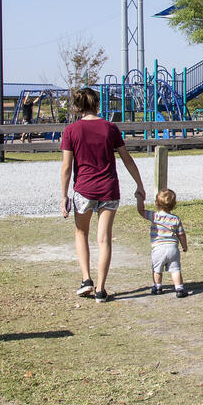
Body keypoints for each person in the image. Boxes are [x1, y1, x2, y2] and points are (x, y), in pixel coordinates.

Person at [60, 87, 145, 302]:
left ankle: (86, 279)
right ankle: (100, 289)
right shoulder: (110, 128)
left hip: (84, 189)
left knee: (81, 233)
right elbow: (127, 159)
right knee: (104, 239)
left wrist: (64, 195)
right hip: (109, 189)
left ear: (77, 107)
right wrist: (139, 184)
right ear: (97, 104)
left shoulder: (71, 130)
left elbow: (67, 167)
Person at [136, 188, 189, 297]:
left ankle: (157, 287)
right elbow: (181, 234)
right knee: (175, 270)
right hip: (173, 249)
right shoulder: (176, 219)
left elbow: (141, 211)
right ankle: (179, 289)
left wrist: (139, 198)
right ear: (174, 204)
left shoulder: (154, 216)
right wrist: (184, 246)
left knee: (157, 269)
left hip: (158, 248)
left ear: (156, 203)